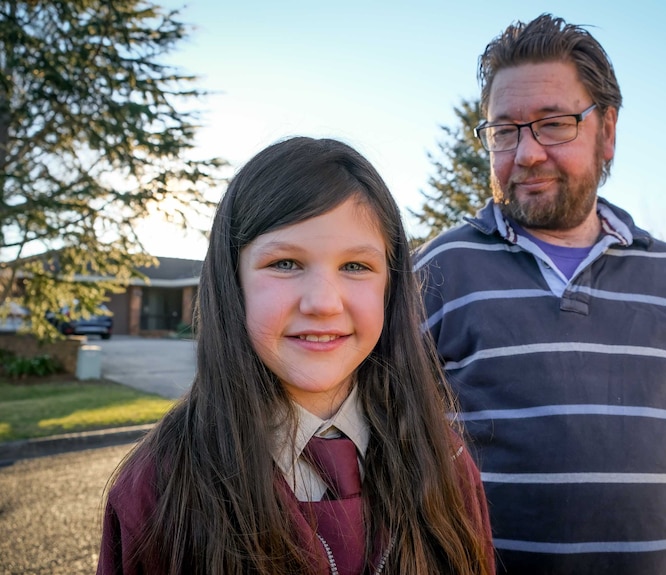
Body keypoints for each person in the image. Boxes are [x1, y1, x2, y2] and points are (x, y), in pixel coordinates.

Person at [415, 14, 666, 575]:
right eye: (504, 130)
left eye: (553, 124)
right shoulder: (436, 272)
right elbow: (386, 450)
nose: (526, 153)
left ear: (608, 131)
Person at [97, 137, 495, 575]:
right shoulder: (156, 488)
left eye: (356, 266)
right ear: (232, 282)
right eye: (285, 263)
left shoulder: (447, 467)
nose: (323, 303)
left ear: (391, 286)